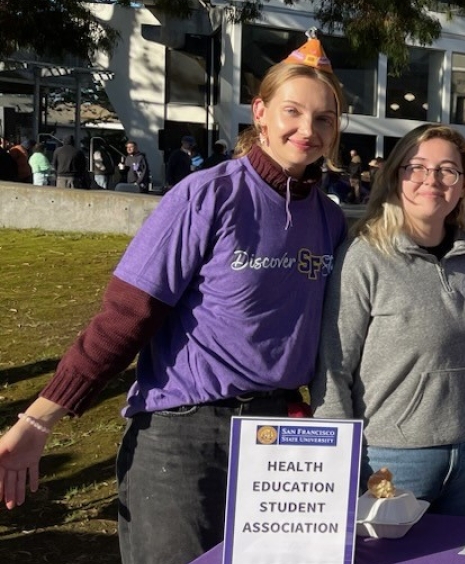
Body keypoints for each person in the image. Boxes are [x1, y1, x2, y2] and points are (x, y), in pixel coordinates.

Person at [0, 32, 348, 564]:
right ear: (261, 112)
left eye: (324, 118)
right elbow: (126, 316)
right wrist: (39, 419)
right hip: (185, 436)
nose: (308, 129)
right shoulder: (208, 194)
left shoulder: (326, 218)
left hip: (279, 441)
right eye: (293, 111)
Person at [311, 124, 465, 517]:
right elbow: (334, 367)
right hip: (390, 458)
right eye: (417, 168)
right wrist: (334, 461)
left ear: (463, 184)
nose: (431, 181)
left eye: (447, 170)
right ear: (395, 176)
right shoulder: (364, 257)